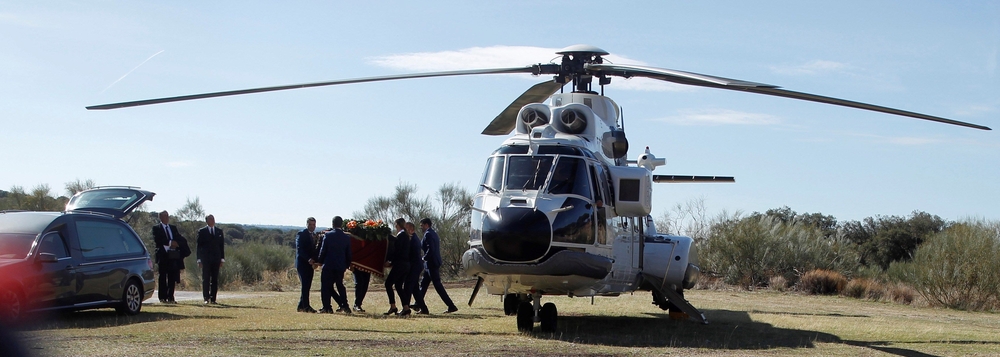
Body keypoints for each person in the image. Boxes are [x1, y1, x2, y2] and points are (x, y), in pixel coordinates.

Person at [416, 217, 458, 314]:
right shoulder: (432, 233)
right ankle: (418, 304)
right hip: (430, 264)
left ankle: (451, 306)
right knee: (423, 284)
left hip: (431, 263)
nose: (421, 228)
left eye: (422, 226)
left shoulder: (428, 234)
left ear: (426, 225)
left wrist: (424, 258)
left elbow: (431, 249)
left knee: (438, 286)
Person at [152, 211, 190, 304]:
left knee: (172, 277)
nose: (167, 217)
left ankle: (170, 297)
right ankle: (162, 297)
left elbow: (178, 238)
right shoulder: (156, 228)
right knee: (163, 276)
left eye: (167, 216)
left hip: (172, 255)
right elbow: (158, 239)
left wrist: (177, 243)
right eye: (164, 216)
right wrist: (169, 242)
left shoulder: (173, 228)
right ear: (160, 217)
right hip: (163, 255)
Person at [317, 216, 352, 314]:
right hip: (340, 266)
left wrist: (320, 261)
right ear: (341, 224)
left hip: (328, 265)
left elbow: (323, 250)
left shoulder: (328, 236)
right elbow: (348, 253)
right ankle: (345, 305)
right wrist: (347, 265)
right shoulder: (346, 237)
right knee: (340, 286)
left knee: (325, 287)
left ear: (333, 224)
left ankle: (327, 307)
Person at [383, 218, 410, 316]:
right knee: (398, 286)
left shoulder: (401, 236)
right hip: (405, 265)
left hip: (400, 264)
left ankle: (393, 306)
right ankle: (406, 308)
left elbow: (397, 251)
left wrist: (390, 261)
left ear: (397, 225)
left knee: (388, 284)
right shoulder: (405, 236)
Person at [197, 214, 225, 304]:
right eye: (210, 219)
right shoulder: (202, 231)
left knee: (215, 279)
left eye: (213, 219)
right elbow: (199, 247)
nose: (212, 220)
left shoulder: (219, 231)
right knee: (206, 279)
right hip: (206, 260)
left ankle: (213, 298)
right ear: (207, 221)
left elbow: (221, 246)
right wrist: (199, 260)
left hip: (216, 259)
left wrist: (222, 259)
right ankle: (206, 298)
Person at [295, 217, 319, 313]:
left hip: (310, 265)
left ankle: (301, 306)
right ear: (307, 224)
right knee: (305, 285)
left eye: (314, 225)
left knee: (307, 285)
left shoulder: (314, 235)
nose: (312, 227)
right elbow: (300, 249)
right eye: (310, 225)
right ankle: (306, 306)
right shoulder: (301, 234)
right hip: (302, 264)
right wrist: (308, 259)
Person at [402, 221, 426, 315]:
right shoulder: (412, 238)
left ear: (411, 229)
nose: (405, 230)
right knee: (415, 289)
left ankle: (406, 308)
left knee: (407, 287)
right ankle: (424, 309)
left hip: (415, 267)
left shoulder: (413, 239)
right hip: (415, 266)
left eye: (406, 228)